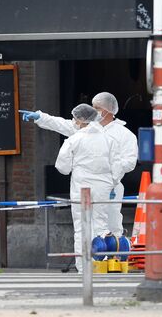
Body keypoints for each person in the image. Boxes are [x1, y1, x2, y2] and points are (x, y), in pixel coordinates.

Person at [21, 92, 138, 236]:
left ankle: (113, 256)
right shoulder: (85, 129)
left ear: (108, 111)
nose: (93, 110)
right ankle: (87, 258)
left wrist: (112, 177)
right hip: (86, 186)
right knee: (85, 227)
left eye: (96, 107)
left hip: (109, 187)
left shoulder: (124, 135)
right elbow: (63, 124)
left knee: (110, 224)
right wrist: (41, 117)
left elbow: (130, 161)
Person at [54, 103, 122, 273]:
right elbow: (118, 166)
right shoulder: (108, 139)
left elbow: (62, 167)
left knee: (81, 226)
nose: (73, 121)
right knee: (101, 224)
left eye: (75, 118)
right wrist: (112, 182)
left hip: (81, 188)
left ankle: (84, 267)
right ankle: (103, 263)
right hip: (103, 187)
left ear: (81, 120)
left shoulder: (74, 140)